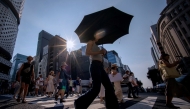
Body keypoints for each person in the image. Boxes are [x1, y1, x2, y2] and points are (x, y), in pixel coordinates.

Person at [74, 32, 119, 109]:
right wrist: (100, 52)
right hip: (95, 65)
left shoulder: (97, 45)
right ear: (94, 34)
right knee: (96, 88)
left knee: (109, 87)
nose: (101, 35)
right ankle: (79, 103)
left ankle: (112, 106)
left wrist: (103, 53)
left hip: (100, 66)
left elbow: (97, 55)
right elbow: (87, 52)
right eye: (99, 33)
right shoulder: (90, 42)